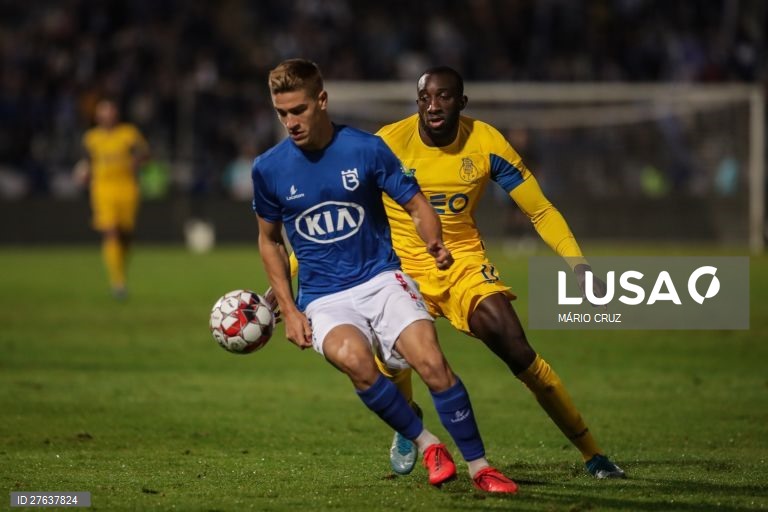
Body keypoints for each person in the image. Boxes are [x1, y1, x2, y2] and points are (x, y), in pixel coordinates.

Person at [252, 59, 518, 494]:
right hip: (324, 298)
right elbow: (269, 240)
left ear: (321, 101)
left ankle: (481, 466)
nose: (290, 122)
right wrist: (289, 306)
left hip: (381, 278)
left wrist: (434, 242)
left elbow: (416, 204)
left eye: (298, 110)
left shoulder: (366, 149)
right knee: (356, 361)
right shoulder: (268, 168)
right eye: (282, 113)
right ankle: (428, 443)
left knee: (431, 363)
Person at [375, 66, 626, 479]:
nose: (433, 106)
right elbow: (346, 206)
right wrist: (296, 268)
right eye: (425, 99)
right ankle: (407, 421)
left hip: (461, 264)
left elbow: (540, 209)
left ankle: (592, 453)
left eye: (443, 97)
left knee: (515, 344)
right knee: (394, 355)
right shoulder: (388, 143)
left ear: (462, 102)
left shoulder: (487, 143)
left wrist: (577, 265)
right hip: (399, 268)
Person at [74, 99, 149, 299]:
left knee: (125, 236)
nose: (108, 116)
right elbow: (87, 161)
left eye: (111, 112)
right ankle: (118, 283)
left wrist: (137, 161)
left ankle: (120, 273)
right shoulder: (91, 138)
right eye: (103, 113)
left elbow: (144, 154)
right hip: (102, 189)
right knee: (111, 231)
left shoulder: (128, 133)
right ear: (98, 116)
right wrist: (84, 172)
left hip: (127, 189)